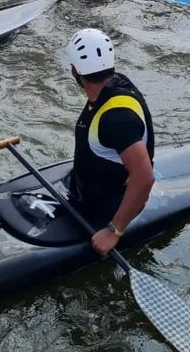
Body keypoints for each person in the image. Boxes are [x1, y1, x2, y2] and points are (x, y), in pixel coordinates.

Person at [65, 28, 154, 255]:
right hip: (89, 189)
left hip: (105, 211)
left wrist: (114, 231)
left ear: (74, 70)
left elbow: (144, 177)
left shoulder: (116, 119)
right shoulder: (117, 82)